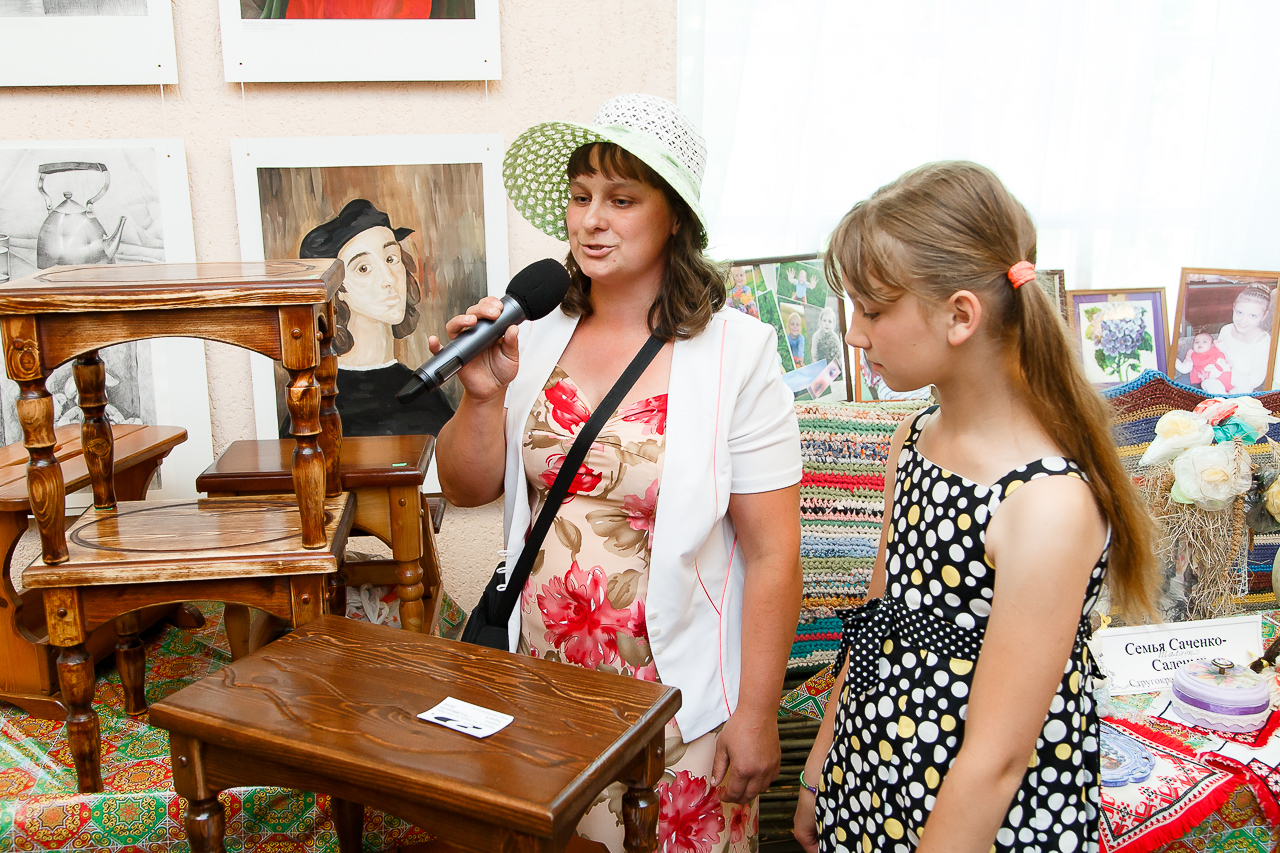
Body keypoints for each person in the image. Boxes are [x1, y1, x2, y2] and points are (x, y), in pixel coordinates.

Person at [434, 94, 803, 852]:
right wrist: (482, 395)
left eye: (622, 200)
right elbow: (469, 489)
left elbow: (774, 552)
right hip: (541, 685)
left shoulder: (738, 352)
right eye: (581, 198)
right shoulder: (534, 332)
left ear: (676, 220)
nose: (592, 220)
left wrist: (757, 711)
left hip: (676, 702)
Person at [792, 162, 1157, 853]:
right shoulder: (914, 438)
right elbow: (874, 625)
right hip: (871, 778)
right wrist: (820, 770)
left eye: (873, 311)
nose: (855, 335)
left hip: (976, 821)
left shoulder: (1046, 504)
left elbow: (995, 762)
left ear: (961, 315)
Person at [296, 198, 454, 437]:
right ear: (338, 289)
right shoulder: (318, 401)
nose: (388, 279)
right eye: (364, 268)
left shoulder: (423, 393)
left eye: (391, 259)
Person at [1212, 285, 1273, 393]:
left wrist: (1231, 392)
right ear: (1234, 307)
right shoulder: (1226, 330)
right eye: (1239, 313)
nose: (1243, 321)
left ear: (1264, 316)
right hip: (1217, 380)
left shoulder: (1262, 342)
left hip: (1242, 390)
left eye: (1253, 316)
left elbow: (1255, 379)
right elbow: (1216, 357)